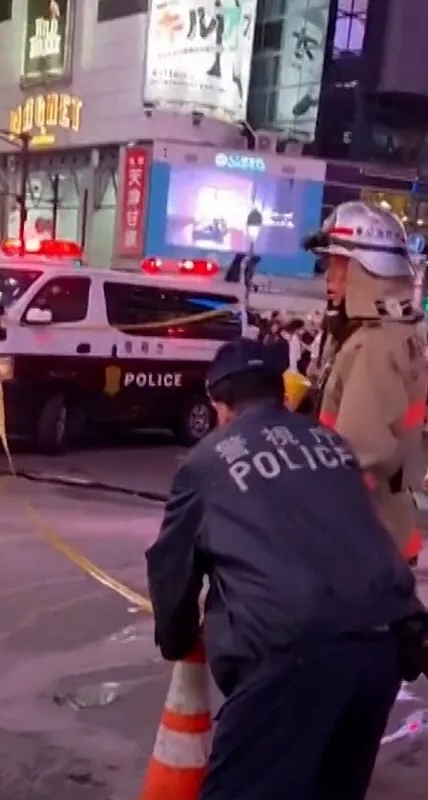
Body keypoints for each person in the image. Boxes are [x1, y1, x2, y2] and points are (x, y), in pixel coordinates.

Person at [145, 337, 425, 799]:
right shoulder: (330, 444)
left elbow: (171, 564)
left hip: (291, 654)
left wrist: (177, 638)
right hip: (384, 645)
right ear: (280, 393)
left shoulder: (208, 461)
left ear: (221, 404)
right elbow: (366, 534)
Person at [306, 202, 428, 564]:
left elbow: (359, 456)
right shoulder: (393, 334)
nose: (329, 280)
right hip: (385, 532)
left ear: (367, 272)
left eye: (339, 269)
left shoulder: (373, 345)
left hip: (358, 541)